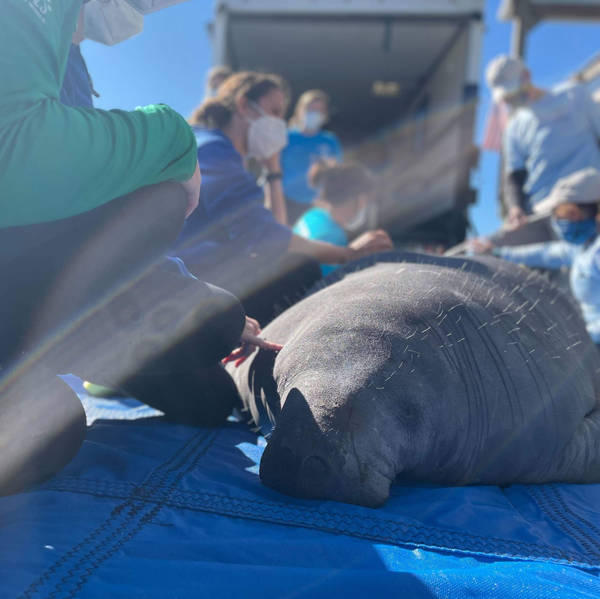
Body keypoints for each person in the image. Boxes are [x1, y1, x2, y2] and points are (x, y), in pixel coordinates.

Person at [0, 1, 277, 496]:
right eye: (275, 113)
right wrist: (173, 140)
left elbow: (82, 225)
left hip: (31, 276)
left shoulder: (71, 61)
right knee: (167, 202)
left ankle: (97, 359)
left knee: (209, 391)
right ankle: (96, 351)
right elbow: (15, 153)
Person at [180, 72, 392, 323]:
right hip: (183, 283)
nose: (279, 124)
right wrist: (347, 253)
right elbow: (270, 239)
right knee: (300, 270)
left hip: (190, 275)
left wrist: (273, 170)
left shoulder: (213, 149)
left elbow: (272, 233)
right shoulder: (214, 150)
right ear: (244, 105)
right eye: (275, 111)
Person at [471, 168, 600, 347]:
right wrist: (497, 252)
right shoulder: (582, 248)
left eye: (564, 213)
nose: (558, 220)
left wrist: (588, 338)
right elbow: (544, 253)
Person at [486, 55, 600, 229]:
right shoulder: (513, 128)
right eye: (507, 98)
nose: (512, 100)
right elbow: (514, 176)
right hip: (543, 211)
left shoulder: (574, 95)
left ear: (526, 76)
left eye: (514, 93)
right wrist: (516, 207)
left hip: (589, 201)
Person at [293, 159, 375, 275]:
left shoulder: (312, 215)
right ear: (360, 199)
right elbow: (332, 287)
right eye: (367, 200)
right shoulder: (333, 238)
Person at [282, 90, 343, 223]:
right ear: (300, 110)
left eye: (319, 110)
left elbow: (337, 172)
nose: (315, 114)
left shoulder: (329, 141)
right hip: (288, 202)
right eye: (311, 109)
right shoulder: (286, 138)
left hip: (319, 205)